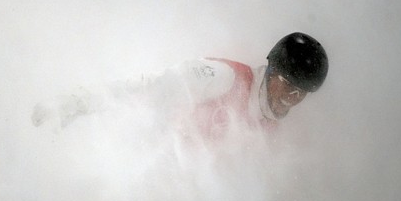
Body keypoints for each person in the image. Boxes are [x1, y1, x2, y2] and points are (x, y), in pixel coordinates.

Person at [31, 32, 328, 139]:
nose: (293, 96)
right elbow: (149, 87)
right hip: (142, 150)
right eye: (288, 84)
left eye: (302, 92)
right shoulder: (224, 78)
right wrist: (76, 102)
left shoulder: (269, 125)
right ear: (272, 71)